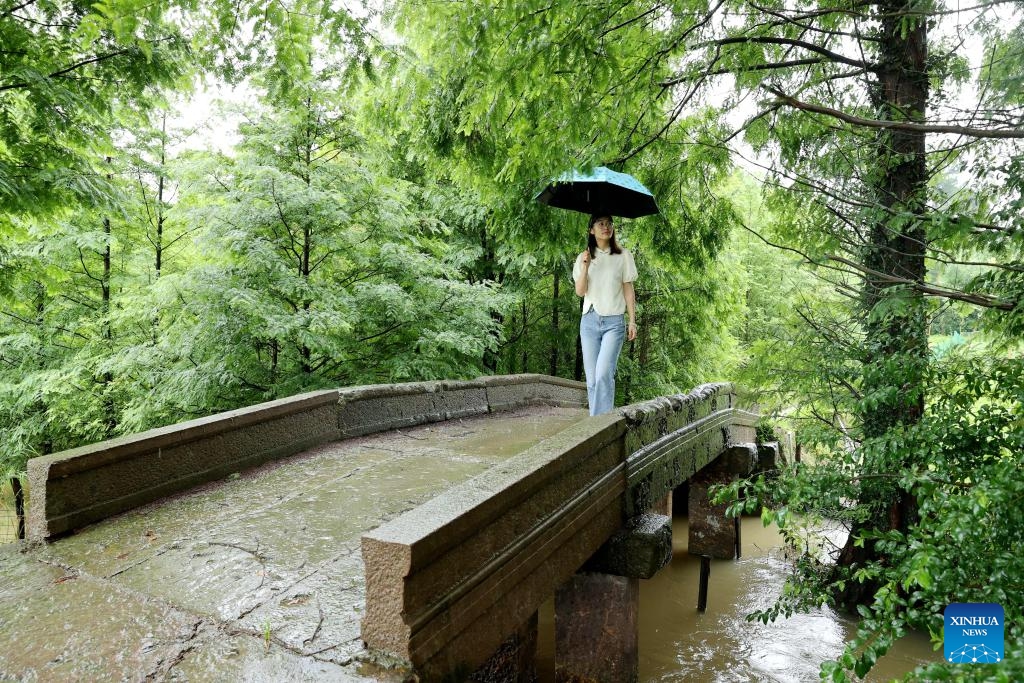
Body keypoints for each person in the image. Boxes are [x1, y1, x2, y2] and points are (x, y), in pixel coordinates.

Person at [572, 214, 638, 416]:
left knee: (603, 375)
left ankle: (598, 428)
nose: (606, 227)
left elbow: (628, 290)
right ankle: (598, 422)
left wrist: (632, 321)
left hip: (614, 323)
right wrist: (585, 267)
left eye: (609, 223)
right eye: (601, 223)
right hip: (589, 321)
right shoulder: (583, 257)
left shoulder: (623, 255)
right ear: (591, 230)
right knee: (591, 380)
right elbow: (580, 291)